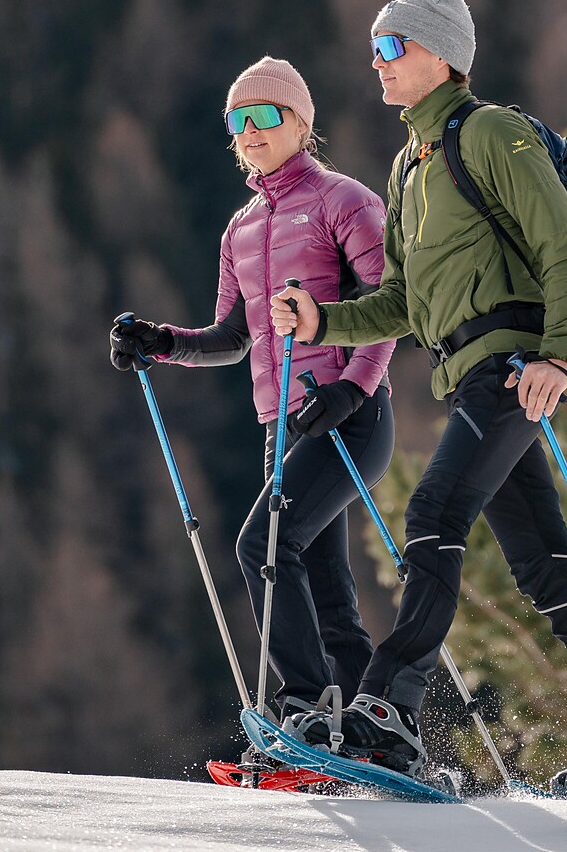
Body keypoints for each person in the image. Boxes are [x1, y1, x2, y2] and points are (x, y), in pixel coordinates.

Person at [269, 0, 567, 800]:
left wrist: (557, 360)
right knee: (543, 564)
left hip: (515, 370)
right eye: (375, 49)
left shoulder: (490, 134)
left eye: (391, 49)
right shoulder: (410, 167)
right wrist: (323, 318)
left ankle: (390, 708)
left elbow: (563, 249)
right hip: (470, 377)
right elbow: (405, 304)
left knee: (432, 515)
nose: (377, 64)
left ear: (439, 56)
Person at [110, 56, 395, 727]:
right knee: (325, 587)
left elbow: (393, 307)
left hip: (347, 415)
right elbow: (234, 335)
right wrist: (163, 342)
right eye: (238, 121)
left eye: (265, 116)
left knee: (262, 547)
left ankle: (303, 706)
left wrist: (353, 389)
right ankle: (373, 726)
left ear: (301, 122)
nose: (251, 131)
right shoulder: (240, 228)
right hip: (283, 425)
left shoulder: (344, 202)